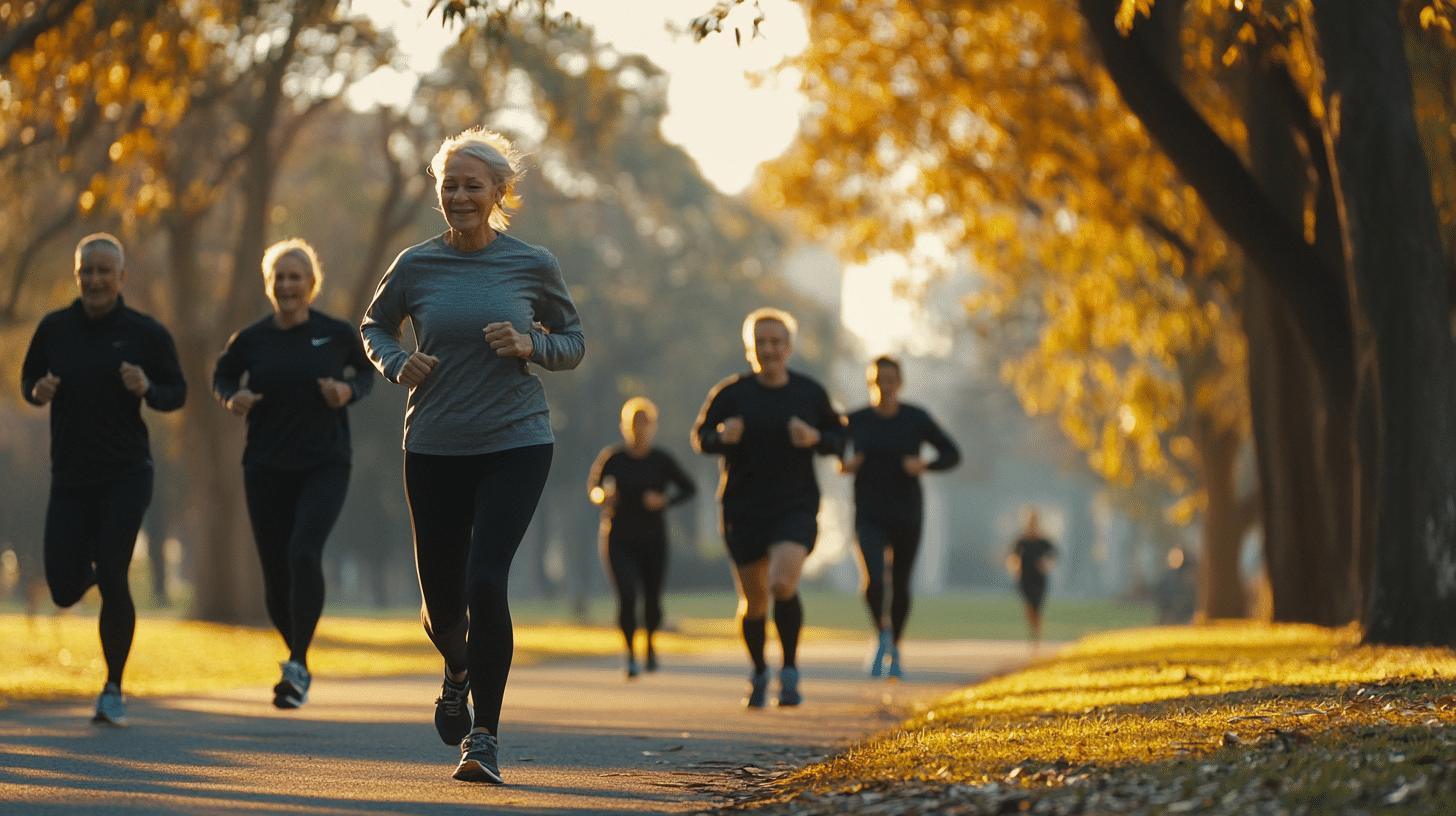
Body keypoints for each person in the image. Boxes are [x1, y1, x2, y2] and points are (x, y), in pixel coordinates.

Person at [361, 127, 584, 784]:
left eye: (471, 185)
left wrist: (530, 345)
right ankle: (458, 671)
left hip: (516, 442)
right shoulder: (415, 265)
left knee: (487, 581)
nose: (458, 195)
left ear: (499, 192)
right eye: (448, 184)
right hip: (432, 445)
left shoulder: (533, 263)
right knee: (441, 608)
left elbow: (572, 340)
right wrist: (398, 362)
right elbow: (375, 327)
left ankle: (484, 738)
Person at [20, 233, 187, 726]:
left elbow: (175, 392)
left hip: (125, 474)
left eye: (102, 271)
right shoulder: (54, 329)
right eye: (85, 271)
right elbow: (29, 379)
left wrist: (148, 386)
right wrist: (37, 389)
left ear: (120, 277)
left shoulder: (145, 333)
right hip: (70, 476)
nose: (94, 280)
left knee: (114, 574)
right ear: (77, 276)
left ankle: (112, 689)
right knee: (63, 590)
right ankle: (97, 573)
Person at [213, 238, 374, 709]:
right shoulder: (250, 340)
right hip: (264, 467)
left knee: (304, 553)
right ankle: (297, 656)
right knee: (275, 579)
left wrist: (347, 391)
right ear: (270, 285)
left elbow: (364, 373)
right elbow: (223, 376)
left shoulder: (336, 333)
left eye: (295, 277)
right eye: (279, 277)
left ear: (311, 284)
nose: (287, 285)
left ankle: (297, 664)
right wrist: (231, 397)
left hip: (325, 462)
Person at [692, 308, 843, 708]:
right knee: (755, 600)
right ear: (750, 349)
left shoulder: (810, 393)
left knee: (782, 584)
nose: (769, 349)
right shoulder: (731, 394)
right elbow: (700, 437)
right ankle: (760, 670)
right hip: (742, 508)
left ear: (789, 347)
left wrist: (815, 437)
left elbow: (839, 439)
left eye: (777, 342)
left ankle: (789, 671)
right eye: (761, 342)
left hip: (794, 506)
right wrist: (722, 436)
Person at [840, 356, 959, 679]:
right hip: (868, 512)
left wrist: (925, 465)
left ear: (900, 383)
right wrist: (844, 463)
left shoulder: (916, 418)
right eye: (879, 380)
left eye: (891, 380)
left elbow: (952, 453)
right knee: (874, 581)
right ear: (871, 383)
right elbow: (829, 442)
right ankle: (882, 635)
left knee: (902, 584)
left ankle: (896, 648)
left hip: (907, 512)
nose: (885, 386)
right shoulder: (857, 420)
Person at [588, 397, 697, 678]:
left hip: (652, 538)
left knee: (651, 599)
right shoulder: (612, 458)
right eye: (633, 424)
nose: (639, 430)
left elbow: (689, 488)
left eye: (644, 424)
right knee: (626, 595)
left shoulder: (661, 460)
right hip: (618, 537)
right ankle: (630, 655)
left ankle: (649, 645)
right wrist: (603, 497)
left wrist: (664, 500)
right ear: (625, 427)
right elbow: (594, 489)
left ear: (653, 427)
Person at [1007, 510, 1058, 648]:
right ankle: (1033, 631)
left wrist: (1046, 563)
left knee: (1038, 607)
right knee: (1029, 606)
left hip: (1039, 578)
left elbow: (1053, 556)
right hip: (1025, 578)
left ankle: (1037, 634)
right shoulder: (1021, 541)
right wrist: (1015, 567)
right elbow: (1013, 558)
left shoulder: (1043, 541)